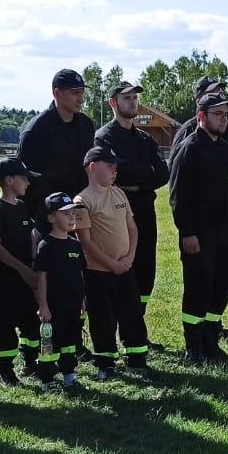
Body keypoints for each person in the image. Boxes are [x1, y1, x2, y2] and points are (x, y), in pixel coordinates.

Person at [168, 92, 228, 360]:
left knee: (220, 287)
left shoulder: (226, 149)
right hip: (200, 234)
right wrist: (187, 232)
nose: (224, 119)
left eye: (226, 115)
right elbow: (178, 197)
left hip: (226, 233)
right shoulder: (189, 149)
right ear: (201, 116)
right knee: (198, 288)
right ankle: (194, 347)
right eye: (218, 114)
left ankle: (211, 342)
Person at [93, 80, 168, 317]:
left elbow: (163, 173)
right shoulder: (104, 137)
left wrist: (135, 182)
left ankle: (137, 323)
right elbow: (111, 175)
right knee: (120, 265)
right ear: (113, 102)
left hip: (144, 209)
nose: (133, 102)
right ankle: (117, 326)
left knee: (145, 267)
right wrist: (141, 176)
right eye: (127, 98)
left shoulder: (145, 139)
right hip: (116, 212)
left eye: (135, 98)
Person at [79, 143, 152, 376]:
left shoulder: (119, 193)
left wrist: (128, 258)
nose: (115, 171)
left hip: (125, 267)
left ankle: (137, 359)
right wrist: (112, 264)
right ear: (92, 167)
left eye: (116, 167)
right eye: (109, 167)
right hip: (99, 272)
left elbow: (133, 228)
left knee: (132, 314)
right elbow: (86, 242)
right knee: (103, 318)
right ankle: (106, 362)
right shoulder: (83, 201)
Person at [0, 157, 42, 385]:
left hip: (26, 275)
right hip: (6, 277)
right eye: (24, 179)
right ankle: (5, 369)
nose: (28, 183)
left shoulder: (21, 207)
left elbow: (31, 235)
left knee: (31, 320)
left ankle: (31, 361)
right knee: (6, 323)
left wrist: (33, 264)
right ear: (9, 181)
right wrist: (22, 269)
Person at [17, 68, 96, 209]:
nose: (81, 99)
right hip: (48, 213)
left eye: (82, 92)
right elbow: (23, 178)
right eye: (75, 93)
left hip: (81, 206)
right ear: (57, 93)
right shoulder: (36, 129)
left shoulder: (86, 125)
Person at [33, 193, 87, 389]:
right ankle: (47, 380)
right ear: (51, 218)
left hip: (73, 305)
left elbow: (80, 275)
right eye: (65, 214)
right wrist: (43, 305)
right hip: (54, 306)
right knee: (50, 345)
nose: (71, 217)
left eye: (73, 213)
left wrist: (82, 300)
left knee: (70, 343)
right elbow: (41, 277)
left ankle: (69, 376)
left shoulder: (75, 245)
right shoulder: (46, 245)